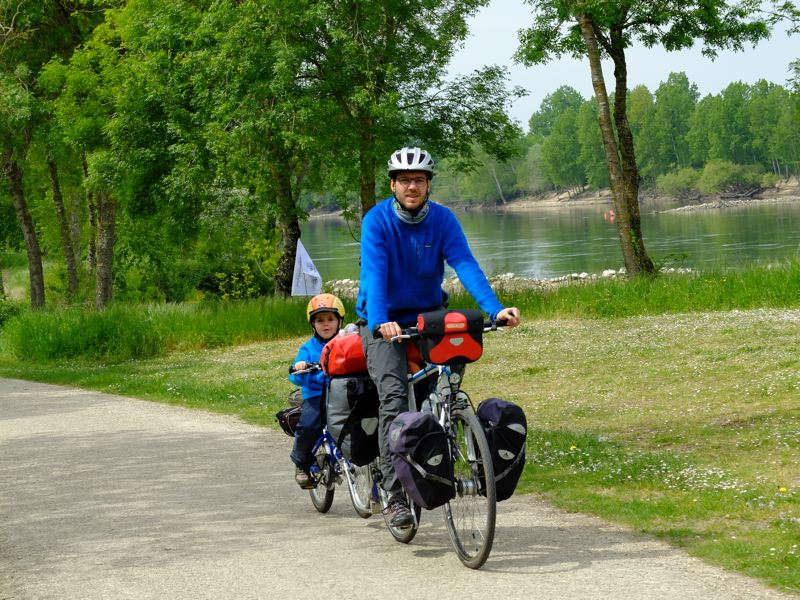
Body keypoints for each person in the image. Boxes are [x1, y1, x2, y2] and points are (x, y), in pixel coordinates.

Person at [356, 146, 521, 528]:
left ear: (429, 185)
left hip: (428, 318)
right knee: (395, 397)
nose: (412, 186)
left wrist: (495, 309)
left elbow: (465, 264)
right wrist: (380, 320)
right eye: (404, 180)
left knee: (440, 393)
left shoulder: (443, 220)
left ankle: (438, 465)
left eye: (419, 180)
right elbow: (375, 275)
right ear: (393, 185)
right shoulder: (377, 221)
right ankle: (394, 493)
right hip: (382, 321)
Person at [289, 293, 345, 489]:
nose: (326, 324)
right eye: (320, 320)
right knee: (310, 423)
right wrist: (300, 367)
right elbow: (295, 375)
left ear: (340, 321)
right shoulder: (308, 348)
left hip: (344, 393)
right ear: (313, 324)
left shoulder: (346, 341)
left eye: (330, 319)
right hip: (316, 395)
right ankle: (301, 462)